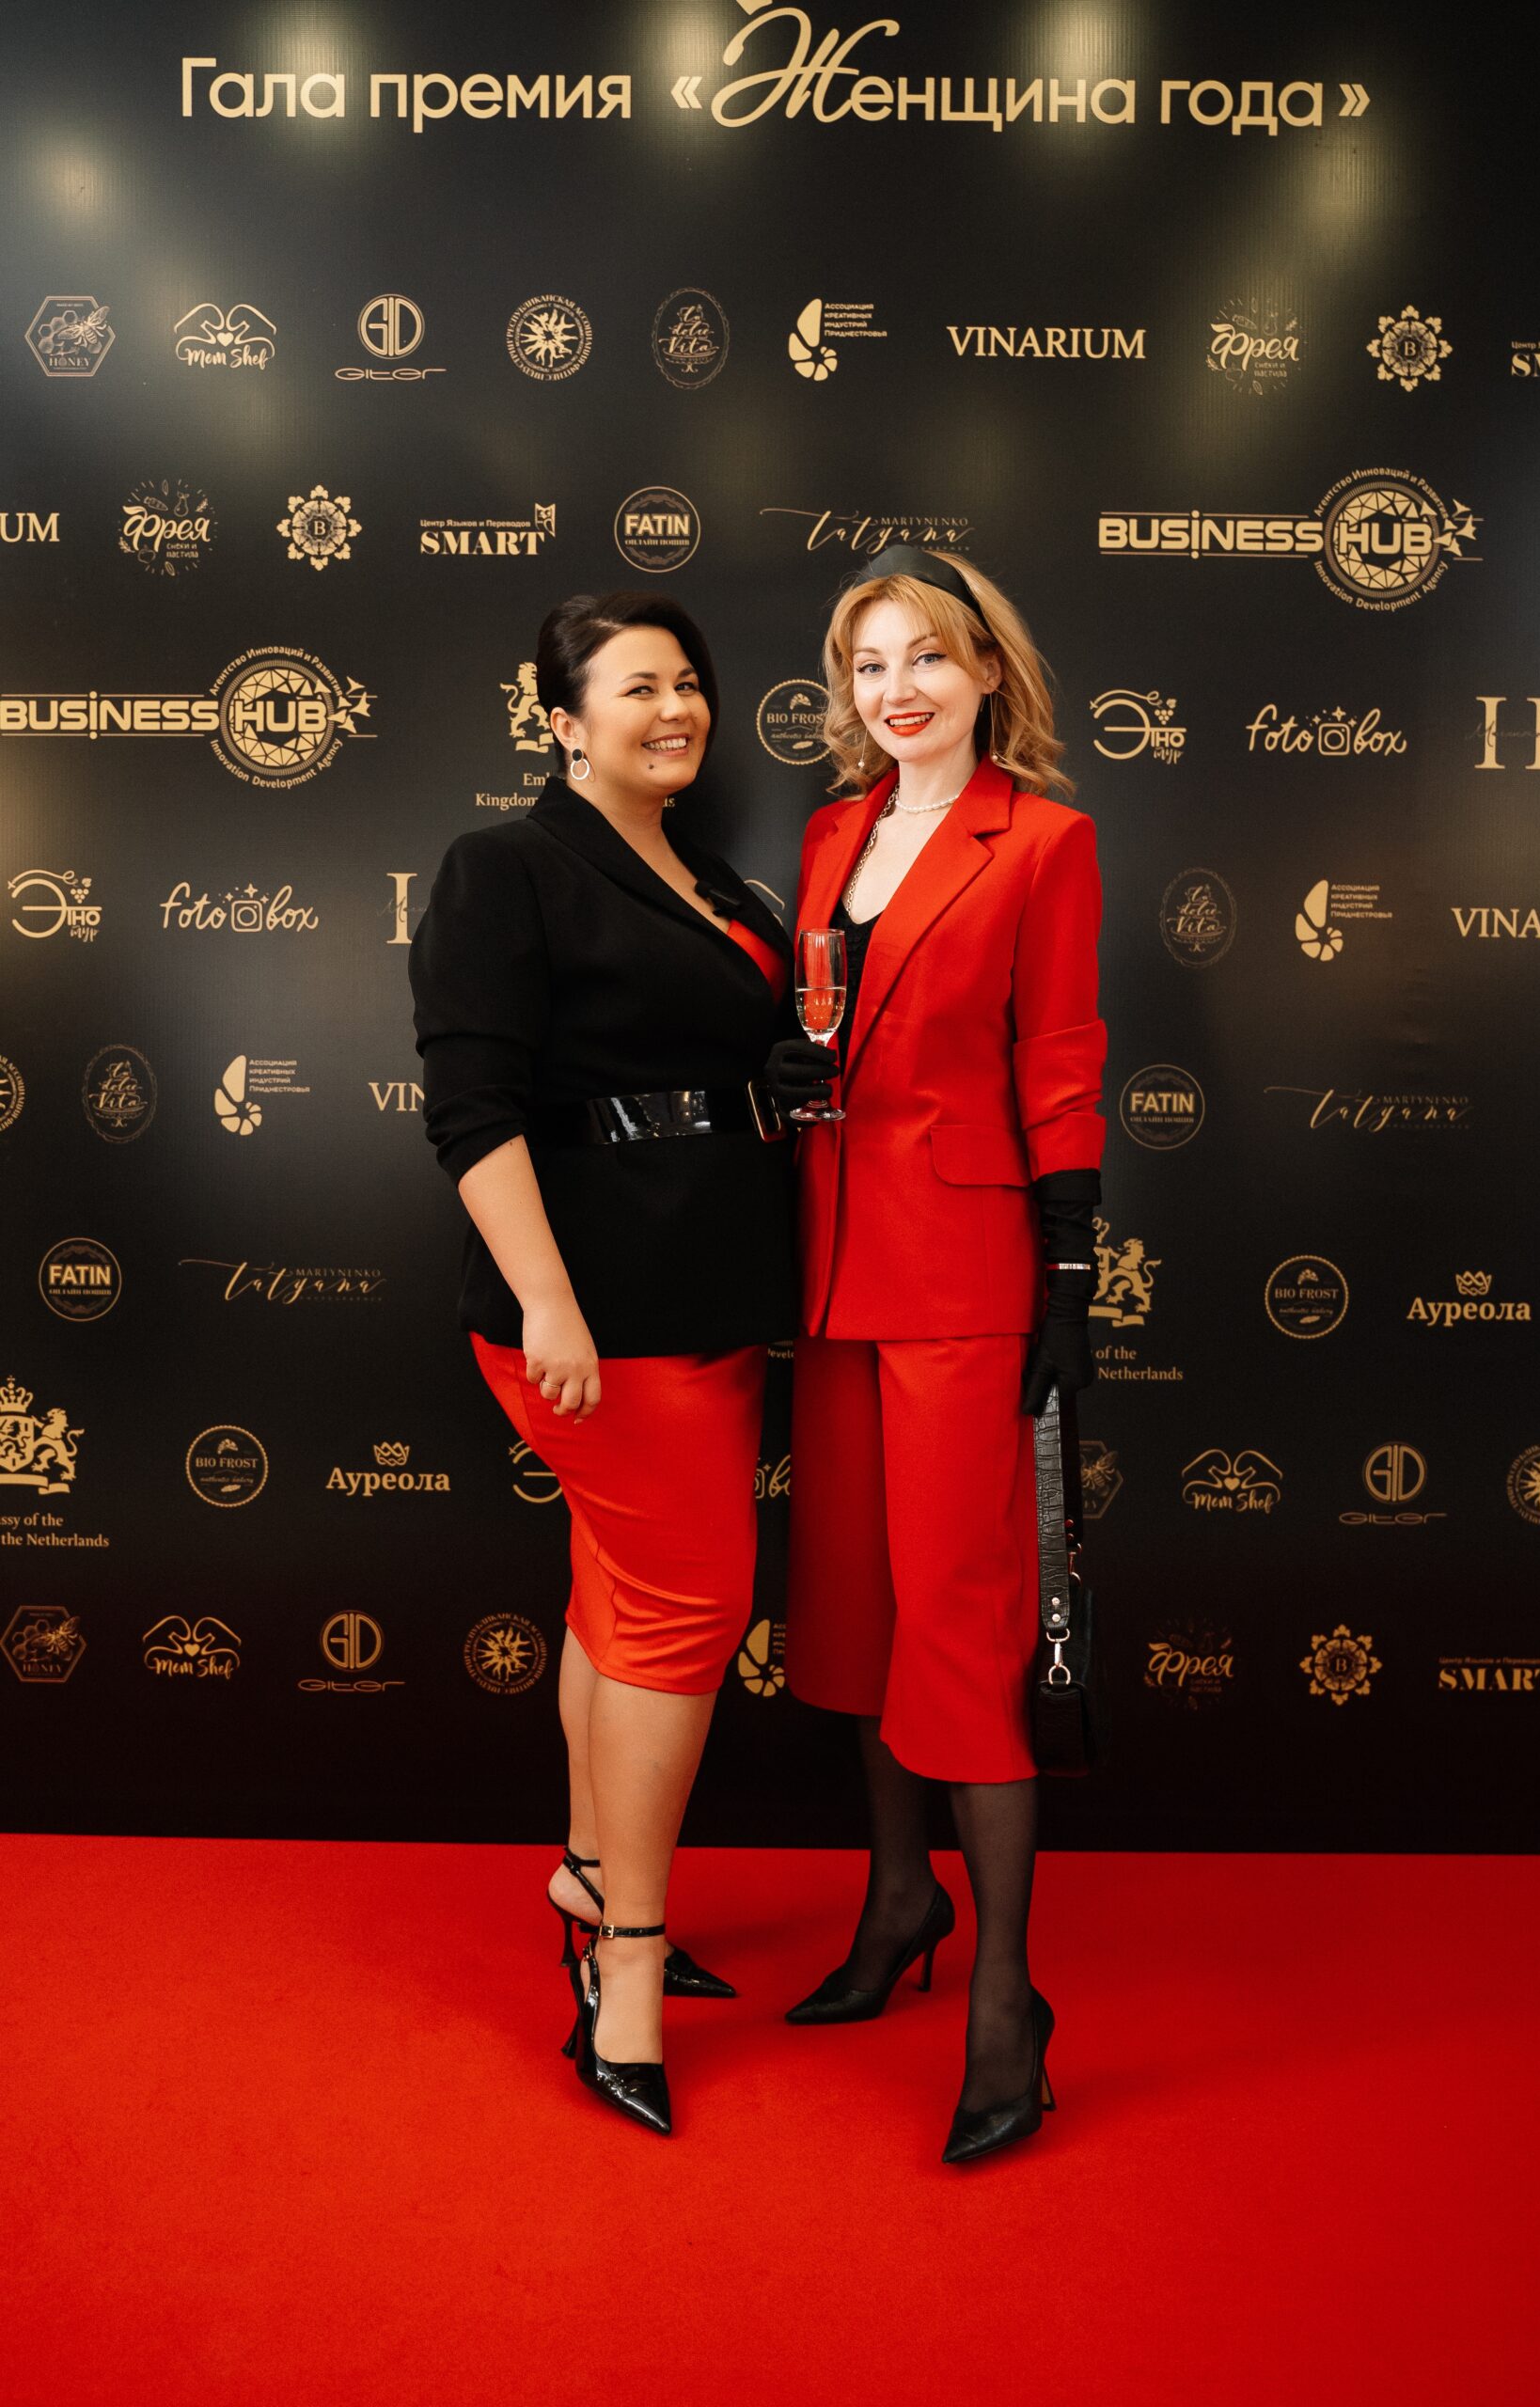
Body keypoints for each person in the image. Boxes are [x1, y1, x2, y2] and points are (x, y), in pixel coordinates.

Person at [409, 591, 794, 2138]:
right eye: (637, 686)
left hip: (708, 1298)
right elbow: (472, 1109)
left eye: (688, 681)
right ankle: (624, 1959)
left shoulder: (711, 879)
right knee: (683, 1619)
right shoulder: (505, 866)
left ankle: (586, 1870)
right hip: (598, 1319)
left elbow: (687, 1062)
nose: (676, 708)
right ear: (561, 720)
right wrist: (548, 1302)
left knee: (621, 1600)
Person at [764, 547, 1106, 2164]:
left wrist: (1070, 1273)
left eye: (923, 658)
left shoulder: (1043, 840)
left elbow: (1062, 1057)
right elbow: (824, 1028)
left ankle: (1008, 2000)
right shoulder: (831, 833)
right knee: (853, 1610)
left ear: (983, 671)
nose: (894, 690)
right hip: (829, 1272)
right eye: (868, 665)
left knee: (960, 1630)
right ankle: (901, 1901)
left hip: (967, 1275)